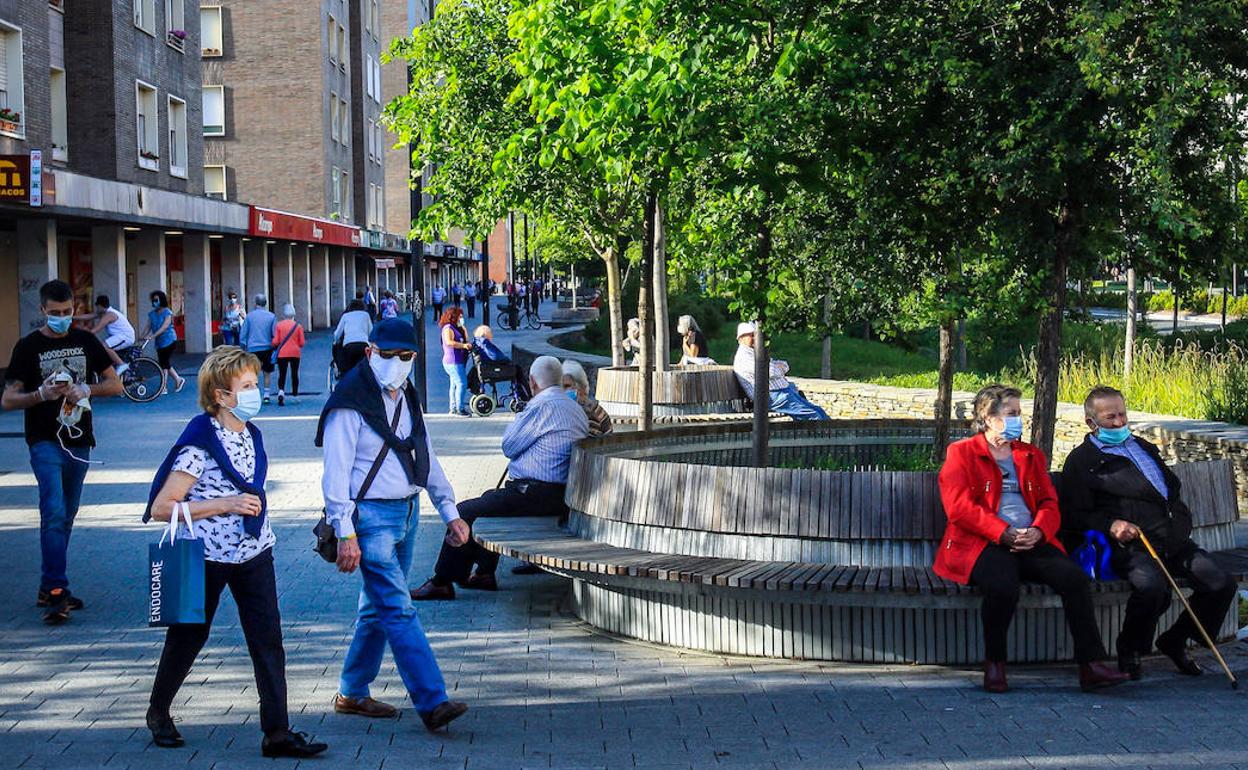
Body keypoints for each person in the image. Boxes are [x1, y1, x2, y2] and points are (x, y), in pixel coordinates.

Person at [142, 346, 327, 758]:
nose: (254, 392)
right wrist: (224, 504)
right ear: (221, 396)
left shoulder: (250, 433)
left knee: (267, 640)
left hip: (254, 550)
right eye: (246, 386)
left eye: (255, 384)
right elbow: (162, 508)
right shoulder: (199, 446)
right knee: (189, 635)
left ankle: (277, 733)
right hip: (205, 556)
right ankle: (158, 711)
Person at [315, 318, 469, 732]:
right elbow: (335, 475)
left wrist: (449, 510)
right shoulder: (348, 401)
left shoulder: (407, 395)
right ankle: (433, 700)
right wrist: (344, 531)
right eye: (387, 355)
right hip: (370, 518)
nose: (396, 364)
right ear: (369, 352)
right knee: (398, 609)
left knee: (377, 609)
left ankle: (352, 692)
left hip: (408, 510)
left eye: (405, 357)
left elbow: (426, 454)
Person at [934, 384, 1129, 694]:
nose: (1018, 420)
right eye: (1011, 414)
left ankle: (1091, 665)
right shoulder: (962, 453)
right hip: (983, 542)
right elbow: (959, 508)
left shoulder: (1030, 455)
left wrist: (1039, 531)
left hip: (1032, 539)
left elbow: (1050, 504)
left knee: (1074, 580)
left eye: (1019, 414)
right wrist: (1002, 532)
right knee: (1002, 586)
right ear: (988, 417)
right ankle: (995, 664)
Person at [1060, 386, 1238, 680]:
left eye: (1122, 414)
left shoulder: (1142, 446)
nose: (1119, 423)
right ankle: (1130, 648)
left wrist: (1179, 520)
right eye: (1110, 418)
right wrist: (1111, 525)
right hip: (1130, 545)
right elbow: (1075, 514)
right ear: (1091, 423)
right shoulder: (1082, 461)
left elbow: (1168, 490)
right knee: (1152, 588)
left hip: (1172, 538)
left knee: (1221, 583)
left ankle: (1176, 640)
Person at [412, 356, 589, 600]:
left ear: (533, 383)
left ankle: (442, 581)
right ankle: (484, 573)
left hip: (536, 494)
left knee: (463, 512)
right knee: (489, 500)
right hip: (561, 494)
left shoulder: (541, 407)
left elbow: (510, 445)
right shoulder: (574, 409)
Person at [2, 280, 123, 624]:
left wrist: (86, 389)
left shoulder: (85, 341)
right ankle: (57, 591)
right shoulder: (28, 347)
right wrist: (40, 395)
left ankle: (48, 583)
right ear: (42, 311)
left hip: (79, 441)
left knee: (66, 515)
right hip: (44, 440)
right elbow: (8, 399)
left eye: (67, 312)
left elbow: (115, 384)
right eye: (54, 314)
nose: (62, 318)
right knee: (53, 511)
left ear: (74, 307)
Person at [732, 322, 828, 421]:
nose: (756, 338)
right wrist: (778, 368)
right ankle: (824, 435)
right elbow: (771, 372)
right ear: (741, 338)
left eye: (756, 335)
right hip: (772, 397)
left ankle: (826, 434)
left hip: (784, 392)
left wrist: (778, 368)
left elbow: (784, 365)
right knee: (815, 417)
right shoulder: (744, 358)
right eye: (751, 336)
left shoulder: (755, 352)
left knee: (819, 411)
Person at [74, 295, 135, 375]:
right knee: (103, 348)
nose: (96, 308)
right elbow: (88, 316)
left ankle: (122, 364)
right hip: (119, 336)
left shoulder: (109, 315)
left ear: (100, 306)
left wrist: (84, 331)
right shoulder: (104, 312)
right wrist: (72, 317)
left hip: (126, 337)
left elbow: (96, 329)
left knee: (104, 346)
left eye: (97, 306)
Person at [140, 290, 186, 394]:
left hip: (169, 340)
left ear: (161, 300)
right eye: (153, 300)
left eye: (156, 300)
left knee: (164, 363)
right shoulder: (152, 314)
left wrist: (152, 336)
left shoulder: (167, 312)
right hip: (160, 342)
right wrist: (142, 336)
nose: (154, 302)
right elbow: (148, 326)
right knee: (164, 363)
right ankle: (177, 380)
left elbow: (164, 327)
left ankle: (164, 386)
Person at [239, 294, 277, 403]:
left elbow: (243, 334)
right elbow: (274, 334)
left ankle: (253, 394)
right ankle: (266, 395)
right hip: (267, 348)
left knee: (253, 372)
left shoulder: (249, 317)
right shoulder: (271, 316)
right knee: (267, 372)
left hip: (252, 349)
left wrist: (243, 347)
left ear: (255, 303)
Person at [562, 360, 612, 437]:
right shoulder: (560, 409)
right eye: (560, 386)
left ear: (581, 387)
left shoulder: (594, 411)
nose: (562, 390)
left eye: (567, 386)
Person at [439, 307, 472, 416]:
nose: (461, 318)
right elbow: (449, 342)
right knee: (462, 383)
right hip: (453, 361)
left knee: (454, 384)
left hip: (458, 360)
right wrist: (463, 345)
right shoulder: (448, 328)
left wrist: (463, 328)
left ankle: (453, 407)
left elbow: (466, 339)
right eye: (460, 316)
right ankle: (460, 408)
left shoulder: (456, 328)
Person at [271, 304, 305, 407]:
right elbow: (302, 343)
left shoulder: (279, 325)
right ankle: (295, 395)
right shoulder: (298, 326)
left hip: (282, 353)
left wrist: (272, 342)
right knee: (294, 374)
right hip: (295, 353)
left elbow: (276, 341)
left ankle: (281, 392)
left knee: (282, 374)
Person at [334, 299, 373, 375]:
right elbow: (371, 332)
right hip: (363, 345)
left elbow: (337, 334)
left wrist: (336, 340)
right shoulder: (366, 315)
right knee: (365, 367)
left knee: (347, 368)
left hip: (349, 345)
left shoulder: (345, 316)